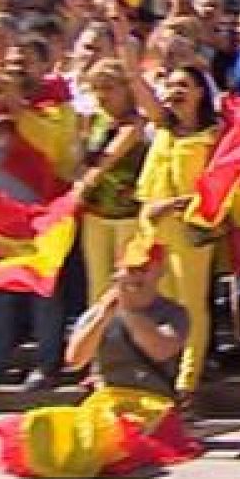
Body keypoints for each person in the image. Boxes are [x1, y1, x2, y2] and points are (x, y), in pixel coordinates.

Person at [0, 235, 200, 479]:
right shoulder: (100, 310)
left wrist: (129, 311)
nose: (135, 277)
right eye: (129, 270)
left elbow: (162, 349)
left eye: (142, 270)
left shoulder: (174, 313)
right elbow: (75, 359)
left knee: (116, 440)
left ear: (159, 272)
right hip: (107, 402)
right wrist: (103, 315)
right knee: (73, 430)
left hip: (155, 405)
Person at [116, 10, 222, 405]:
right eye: (170, 86)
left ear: (200, 93)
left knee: (190, 305)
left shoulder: (214, 135)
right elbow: (133, 79)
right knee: (150, 302)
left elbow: (221, 185)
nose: (174, 92)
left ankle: (186, 383)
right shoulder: (161, 125)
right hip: (150, 229)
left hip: (189, 229)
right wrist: (122, 33)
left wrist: (177, 204)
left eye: (184, 87)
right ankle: (156, 375)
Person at [0, 33, 81, 390]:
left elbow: (56, 153)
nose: (17, 70)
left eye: (25, 63)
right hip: (1, 214)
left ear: (45, 66)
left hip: (43, 214)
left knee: (43, 293)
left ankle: (47, 366)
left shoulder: (59, 108)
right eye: (11, 64)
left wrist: (20, 111)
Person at [74, 58, 149, 303]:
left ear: (127, 89)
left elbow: (108, 157)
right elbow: (81, 159)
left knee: (126, 286)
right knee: (97, 287)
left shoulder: (137, 123)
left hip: (128, 217)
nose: (102, 95)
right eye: (97, 88)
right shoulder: (94, 120)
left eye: (109, 87)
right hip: (95, 215)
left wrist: (84, 183)